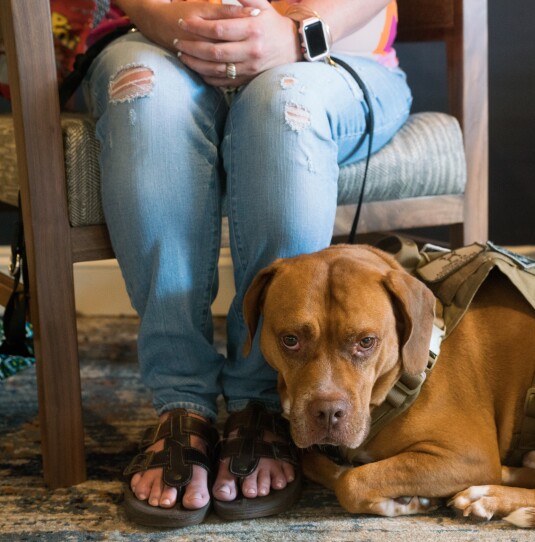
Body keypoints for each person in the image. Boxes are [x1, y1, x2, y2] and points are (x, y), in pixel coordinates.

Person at [82, 0, 411, 527]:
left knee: (280, 104)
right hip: (156, 40)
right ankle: (180, 403)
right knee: (146, 96)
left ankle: (265, 403)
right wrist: (178, 26)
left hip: (335, 54)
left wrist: (302, 33)